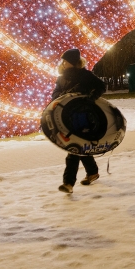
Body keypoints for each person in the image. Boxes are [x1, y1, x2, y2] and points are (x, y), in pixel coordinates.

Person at [52, 48, 107, 194]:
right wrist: (61, 97)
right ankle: (93, 172)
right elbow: (55, 94)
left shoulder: (85, 75)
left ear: (74, 62)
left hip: (83, 116)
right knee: (80, 146)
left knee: (74, 148)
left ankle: (68, 183)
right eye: (62, 61)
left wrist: (90, 98)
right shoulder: (61, 77)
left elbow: (101, 86)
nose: (63, 64)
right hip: (67, 117)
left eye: (66, 61)